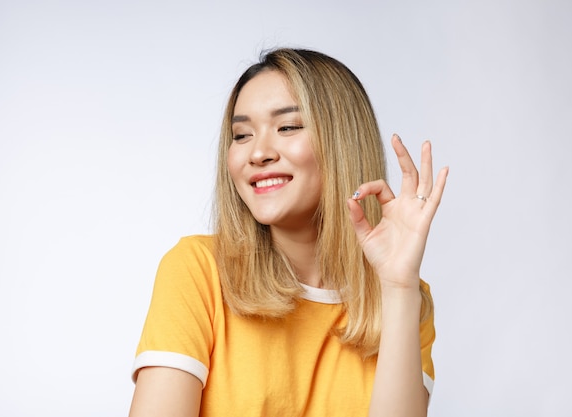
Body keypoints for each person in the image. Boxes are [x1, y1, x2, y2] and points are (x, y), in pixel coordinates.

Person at [128, 48, 448, 417]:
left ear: (341, 142)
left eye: (287, 127)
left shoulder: (407, 298)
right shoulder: (198, 270)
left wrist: (398, 288)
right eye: (241, 134)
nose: (258, 153)